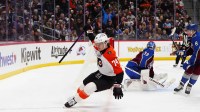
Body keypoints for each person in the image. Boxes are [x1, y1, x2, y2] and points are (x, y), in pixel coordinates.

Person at [64, 29, 124, 108]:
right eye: (97, 44)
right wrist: (88, 29)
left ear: (106, 43)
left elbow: (120, 72)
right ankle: (76, 97)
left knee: (90, 87)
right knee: (83, 85)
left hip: (109, 79)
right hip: (100, 73)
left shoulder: (110, 55)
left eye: (99, 44)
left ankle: (74, 100)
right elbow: (92, 38)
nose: (97, 46)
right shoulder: (98, 46)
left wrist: (117, 86)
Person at [174, 24, 200, 95]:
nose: (186, 32)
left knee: (196, 72)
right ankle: (181, 85)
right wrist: (184, 53)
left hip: (198, 58)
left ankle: (189, 86)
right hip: (197, 58)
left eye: (188, 30)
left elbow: (197, 52)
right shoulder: (194, 36)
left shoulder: (197, 38)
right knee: (189, 70)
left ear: (193, 31)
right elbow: (192, 49)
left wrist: (190, 63)